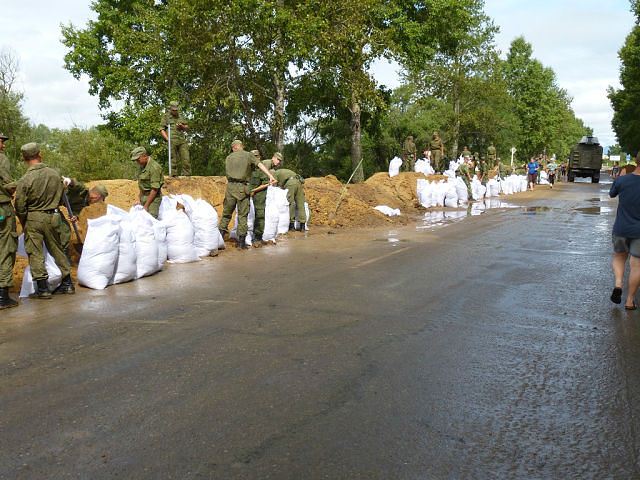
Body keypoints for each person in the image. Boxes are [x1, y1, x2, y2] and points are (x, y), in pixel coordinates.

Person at [14, 143, 74, 298]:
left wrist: (24, 220)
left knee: (35, 252)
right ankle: (67, 284)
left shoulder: (25, 179)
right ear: (40, 154)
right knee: (57, 249)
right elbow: (62, 196)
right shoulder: (55, 174)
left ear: (24, 158)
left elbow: (19, 205)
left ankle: (43, 289)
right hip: (54, 216)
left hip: (34, 217)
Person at [218, 140, 276, 249]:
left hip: (230, 187)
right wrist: (270, 176)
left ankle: (219, 239)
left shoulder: (228, 157)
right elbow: (260, 164)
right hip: (242, 188)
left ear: (233, 148)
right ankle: (241, 243)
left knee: (226, 214)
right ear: (241, 146)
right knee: (242, 215)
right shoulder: (248, 155)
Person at [609, 157, 640, 309]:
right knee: (637, 265)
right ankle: (630, 301)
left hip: (621, 228)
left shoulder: (623, 180)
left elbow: (612, 194)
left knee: (619, 257)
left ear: (636, 161)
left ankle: (618, 284)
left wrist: (617, 179)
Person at [58, 178, 109, 257]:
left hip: (62, 204)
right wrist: (69, 181)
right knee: (65, 232)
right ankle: (64, 259)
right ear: (97, 195)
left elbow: (84, 214)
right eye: (96, 198)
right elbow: (76, 184)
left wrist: (76, 217)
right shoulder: (83, 191)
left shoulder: (93, 204)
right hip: (57, 198)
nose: (96, 201)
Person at [0, 133, 18, 308]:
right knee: (6, 248)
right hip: (2, 208)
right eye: (1, 141)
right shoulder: (1, 159)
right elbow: (7, 182)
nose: (3, 145)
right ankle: (2, 296)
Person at [271, 166, 307, 231]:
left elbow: (274, 185)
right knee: (300, 203)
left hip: (290, 183)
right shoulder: (283, 171)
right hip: (298, 182)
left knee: (290, 203)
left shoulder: (275, 174)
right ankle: (303, 226)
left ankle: (291, 225)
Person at [131, 146, 164, 219]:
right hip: (144, 198)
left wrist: (146, 205)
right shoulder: (143, 166)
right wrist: (139, 200)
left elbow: (155, 189)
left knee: (150, 220)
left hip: (153, 199)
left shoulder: (154, 167)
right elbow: (142, 185)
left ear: (144, 156)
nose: (137, 162)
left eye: (138, 160)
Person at [160, 101, 191, 176]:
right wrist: (167, 139)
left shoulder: (181, 116)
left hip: (181, 140)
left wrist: (182, 126)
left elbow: (187, 128)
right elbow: (161, 129)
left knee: (186, 158)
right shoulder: (166, 117)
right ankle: (173, 176)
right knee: (172, 159)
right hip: (171, 140)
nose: (175, 111)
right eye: (173, 110)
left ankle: (186, 175)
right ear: (170, 109)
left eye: (176, 110)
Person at [249, 149, 273, 246]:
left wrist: (254, 191)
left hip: (259, 193)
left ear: (258, 158)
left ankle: (257, 237)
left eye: (255, 157)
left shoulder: (262, 170)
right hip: (248, 192)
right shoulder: (247, 169)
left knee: (259, 213)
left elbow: (267, 184)